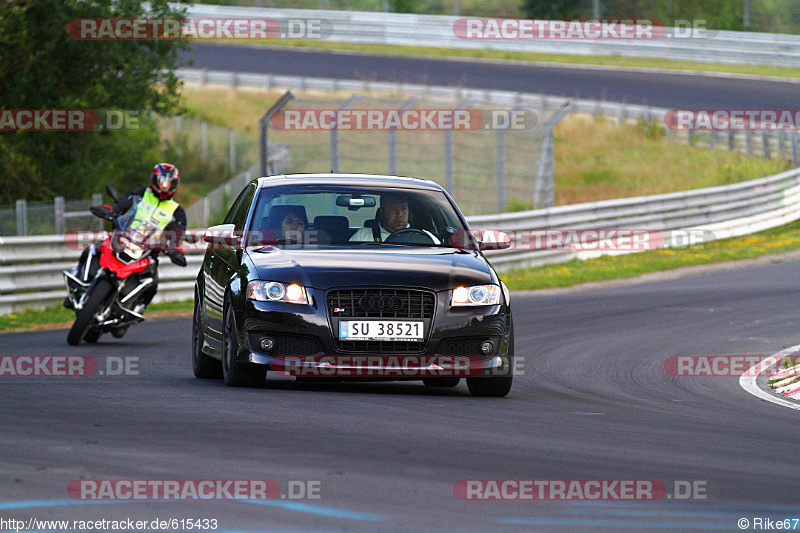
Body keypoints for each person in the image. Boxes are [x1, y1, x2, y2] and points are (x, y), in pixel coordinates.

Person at [65, 163, 187, 314]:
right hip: (123, 237)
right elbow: (121, 205)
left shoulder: (177, 211)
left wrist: (175, 249)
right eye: (162, 181)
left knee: (152, 281)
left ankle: (137, 307)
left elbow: (177, 235)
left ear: (175, 185)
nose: (164, 186)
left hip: (148, 251)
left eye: (169, 183)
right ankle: (79, 277)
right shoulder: (140, 193)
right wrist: (109, 210)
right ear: (154, 180)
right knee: (94, 247)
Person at [349, 192, 439, 243]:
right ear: (382, 213)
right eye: (393, 210)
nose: (399, 214)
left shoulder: (424, 237)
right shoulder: (363, 235)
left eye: (403, 209)